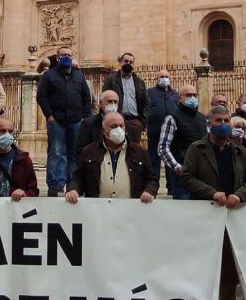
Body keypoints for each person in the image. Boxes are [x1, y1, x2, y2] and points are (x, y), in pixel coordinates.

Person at [178, 106, 246, 300]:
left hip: (233, 218)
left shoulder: (239, 151)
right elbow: (185, 176)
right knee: (204, 268)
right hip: (206, 216)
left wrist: (239, 195)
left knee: (229, 270)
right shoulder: (197, 149)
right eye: (218, 120)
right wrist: (211, 192)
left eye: (226, 120)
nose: (223, 124)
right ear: (209, 124)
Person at [36, 46, 93, 197]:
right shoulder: (48, 75)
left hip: (76, 121)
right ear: (57, 57)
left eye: (69, 55)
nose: (66, 57)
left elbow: (87, 98)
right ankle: (55, 185)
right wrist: (49, 115)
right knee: (56, 152)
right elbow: (41, 96)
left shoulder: (79, 76)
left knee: (75, 153)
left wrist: (85, 118)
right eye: (63, 55)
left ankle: (72, 184)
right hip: (57, 121)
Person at [65, 112, 157, 203]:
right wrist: (74, 190)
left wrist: (149, 191)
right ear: (104, 130)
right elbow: (78, 178)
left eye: (121, 126)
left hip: (130, 211)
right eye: (114, 126)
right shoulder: (89, 152)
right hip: (97, 211)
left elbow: (151, 179)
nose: (119, 129)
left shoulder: (139, 152)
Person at [158, 85, 207, 199]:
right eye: (189, 95)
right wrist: (177, 167)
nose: (192, 97)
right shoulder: (172, 118)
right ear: (179, 98)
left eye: (195, 95)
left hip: (201, 174)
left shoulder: (202, 119)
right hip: (182, 175)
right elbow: (163, 148)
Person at [101, 52, 148, 144]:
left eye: (131, 62)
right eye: (126, 61)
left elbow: (146, 102)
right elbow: (104, 97)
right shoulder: (111, 79)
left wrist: (143, 122)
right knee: (117, 146)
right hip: (116, 121)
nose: (128, 64)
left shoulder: (139, 82)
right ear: (120, 63)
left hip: (135, 122)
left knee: (134, 149)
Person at [146, 69, 178, 190]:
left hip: (171, 133)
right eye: (161, 76)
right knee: (154, 160)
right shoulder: (149, 93)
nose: (164, 78)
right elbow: (145, 108)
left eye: (166, 76)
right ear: (157, 79)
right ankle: (154, 187)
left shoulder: (174, 94)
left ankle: (171, 187)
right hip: (155, 131)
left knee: (170, 159)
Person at [76, 90, 119, 155]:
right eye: (109, 101)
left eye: (115, 102)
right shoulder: (88, 124)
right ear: (101, 103)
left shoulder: (123, 124)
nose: (113, 105)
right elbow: (80, 151)